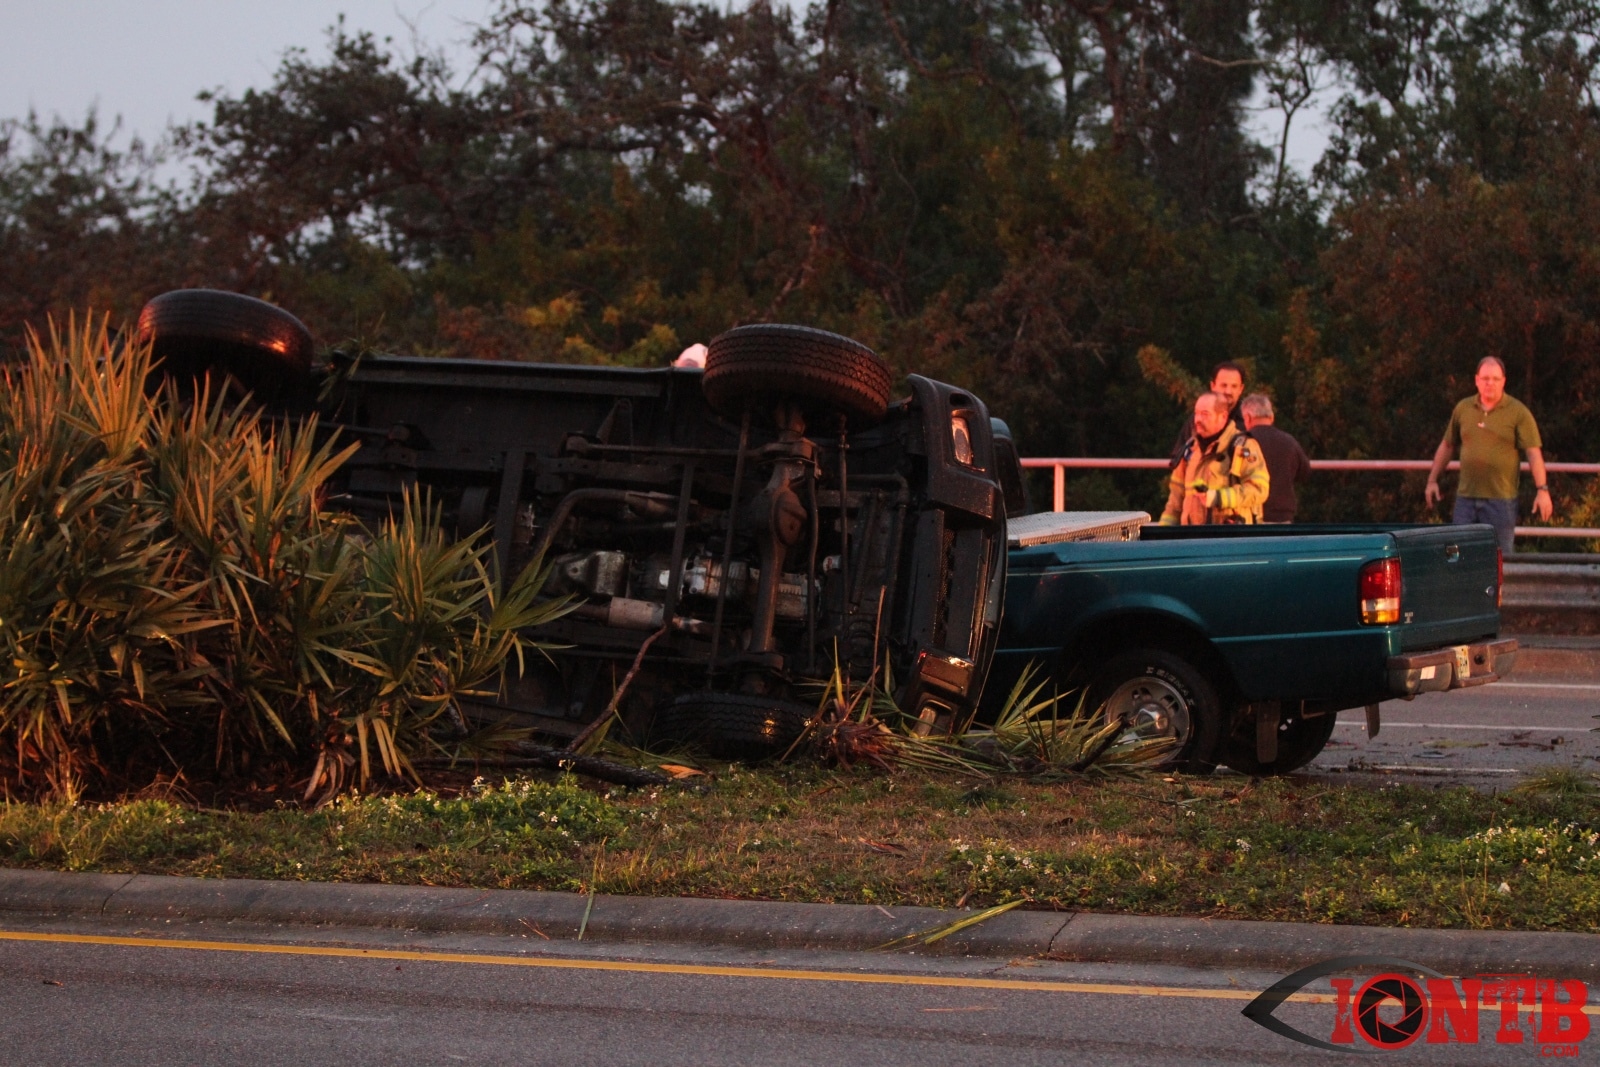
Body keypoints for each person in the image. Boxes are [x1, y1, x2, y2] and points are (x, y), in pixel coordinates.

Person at [1424, 356, 1552, 554]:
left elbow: (1533, 453)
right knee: (1458, 557)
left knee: (1500, 560)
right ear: (1476, 380)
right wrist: (1432, 480)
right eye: (1485, 378)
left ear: (1503, 381)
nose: (1489, 383)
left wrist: (1542, 490)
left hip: (1501, 502)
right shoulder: (1463, 409)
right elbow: (1447, 445)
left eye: (1495, 378)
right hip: (1466, 499)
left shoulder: (1518, 412)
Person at [1160, 391, 1270, 525]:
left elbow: (1259, 490)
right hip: (1192, 540)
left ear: (1223, 417)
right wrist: (1163, 536)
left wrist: (1218, 497)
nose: (1198, 419)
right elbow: (1175, 503)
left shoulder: (1243, 447)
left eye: (1205, 414)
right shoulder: (1190, 450)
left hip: (1230, 540)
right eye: (1197, 413)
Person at [1239, 393, 1310, 523]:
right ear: (1271, 417)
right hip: (1283, 516)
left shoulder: (1243, 444)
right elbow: (1304, 472)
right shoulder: (1289, 442)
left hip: (1251, 516)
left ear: (1247, 418)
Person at [1168, 361, 1247, 468]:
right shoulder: (1196, 420)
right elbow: (1178, 460)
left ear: (1241, 389)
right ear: (1213, 386)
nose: (1228, 391)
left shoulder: (1249, 420)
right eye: (1224, 385)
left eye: (1234, 386)